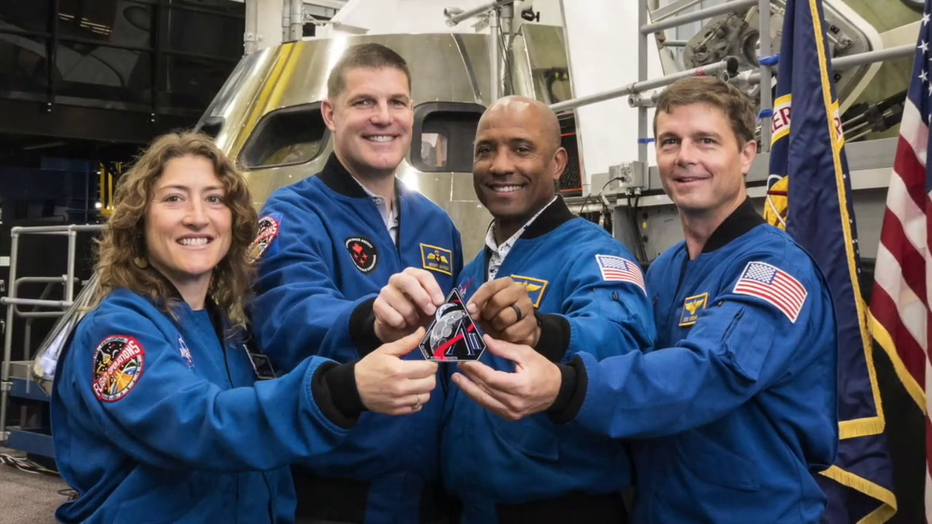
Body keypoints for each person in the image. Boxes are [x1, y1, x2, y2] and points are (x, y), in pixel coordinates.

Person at [452, 77, 839, 523]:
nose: (685, 156)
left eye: (706, 141)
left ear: (747, 154)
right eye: (670, 141)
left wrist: (565, 384)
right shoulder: (666, 271)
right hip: (662, 508)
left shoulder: (776, 270)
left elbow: (711, 370)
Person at [50, 133, 436, 524]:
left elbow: (261, 463)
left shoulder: (228, 333)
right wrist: (344, 389)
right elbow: (198, 425)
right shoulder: (116, 333)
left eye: (214, 199)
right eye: (174, 198)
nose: (197, 216)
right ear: (139, 221)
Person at [251, 44, 462, 523]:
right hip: (335, 494)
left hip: (430, 493)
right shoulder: (294, 214)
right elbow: (288, 315)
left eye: (396, 102)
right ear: (331, 114)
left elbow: (451, 345)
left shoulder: (437, 224)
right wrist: (368, 319)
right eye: (364, 102)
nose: (383, 117)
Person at [437, 96, 655, 523]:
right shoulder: (471, 272)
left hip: (562, 508)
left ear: (557, 163)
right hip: (472, 508)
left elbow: (622, 340)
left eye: (521, 149)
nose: (500, 165)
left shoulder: (595, 255)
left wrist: (544, 331)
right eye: (486, 150)